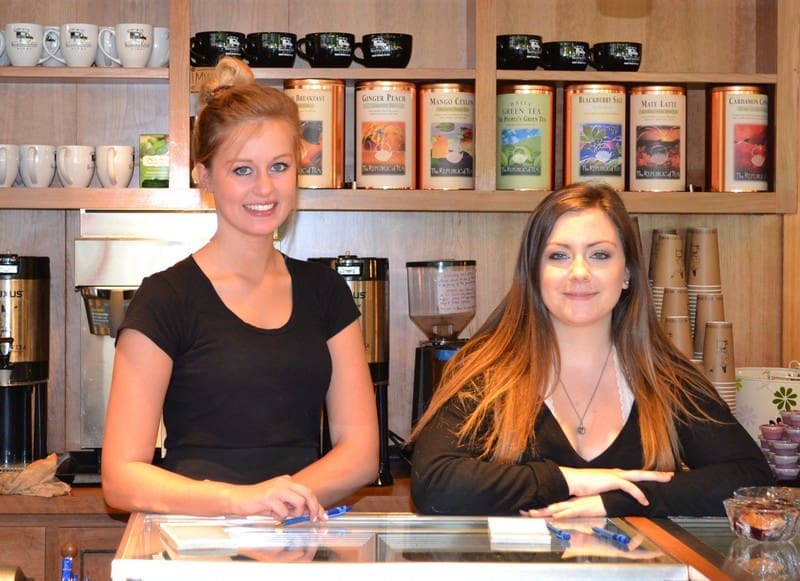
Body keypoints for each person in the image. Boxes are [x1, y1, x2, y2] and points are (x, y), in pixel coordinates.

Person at [102, 57, 379, 519]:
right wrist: (240, 500)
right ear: (205, 177)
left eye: (279, 166)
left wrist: (278, 502)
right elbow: (120, 476)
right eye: (242, 170)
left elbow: (362, 451)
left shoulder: (326, 293)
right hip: (197, 541)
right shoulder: (165, 299)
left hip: (295, 538)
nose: (265, 188)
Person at [410, 181, 773, 518]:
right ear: (534, 273)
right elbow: (435, 485)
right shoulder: (485, 373)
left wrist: (614, 499)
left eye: (600, 255)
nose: (580, 272)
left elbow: (750, 480)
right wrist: (568, 481)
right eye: (558, 256)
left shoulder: (666, 380)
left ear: (627, 273)